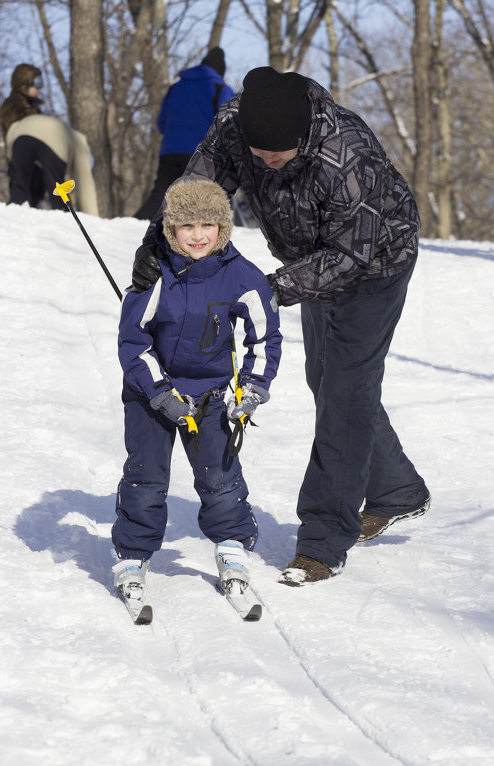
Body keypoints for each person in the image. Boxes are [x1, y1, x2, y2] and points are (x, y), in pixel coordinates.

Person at [131, 66, 431, 587]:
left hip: (374, 265)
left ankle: (322, 539)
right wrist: (157, 246)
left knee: (344, 390)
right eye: (259, 154)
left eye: (279, 154)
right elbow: (195, 193)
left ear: (304, 136)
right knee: (328, 380)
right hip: (307, 256)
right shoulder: (232, 126)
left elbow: (349, 255)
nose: (267, 163)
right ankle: (396, 489)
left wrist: (267, 290)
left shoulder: (347, 152)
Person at [111, 177, 282, 605]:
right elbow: (134, 342)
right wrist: (158, 391)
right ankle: (133, 555)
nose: (198, 235)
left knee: (220, 477)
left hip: (210, 395)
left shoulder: (242, 276)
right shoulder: (154, 274)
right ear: (171, 230)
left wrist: (254, 387)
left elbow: (263, 338)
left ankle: (231, 547)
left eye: (208, 224)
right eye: (187, 227)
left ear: (223, 227)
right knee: (146, 477)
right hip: (152, 393)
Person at [133, 47, 235, 221]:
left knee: (162, 195)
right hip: (202, 154)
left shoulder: (175, 88)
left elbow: (161, 124)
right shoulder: (220, 89)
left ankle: (133, 225)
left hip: (170, 151)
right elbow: (229, 127)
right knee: (204, 201)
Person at [0, 63, 98, 214]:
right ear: (23, 84)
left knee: (22, 184)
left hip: (22, 142)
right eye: (36, 83)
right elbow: (85, 183)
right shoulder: (13, 105)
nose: (40, 88)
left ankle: (18, 209)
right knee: (56, 184)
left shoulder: (31, 106)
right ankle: (64, 213)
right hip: (46, 141)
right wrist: (92, 215)